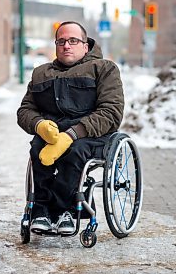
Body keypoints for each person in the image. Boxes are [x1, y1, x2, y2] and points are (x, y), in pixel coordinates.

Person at [17, 21, 124, 235]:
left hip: (93, 135)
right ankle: (41, 213)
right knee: (38, 148)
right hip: (52, 134)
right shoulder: (41, 73)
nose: (67, 45)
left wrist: (73, 134)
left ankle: (61, 211)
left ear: (86, 45)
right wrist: (39, 125)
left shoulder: (104, 69)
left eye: (73, 41)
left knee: (74, 152)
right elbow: (25, 110)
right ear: (56, 45)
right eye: (62, 41)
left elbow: (112, 112)